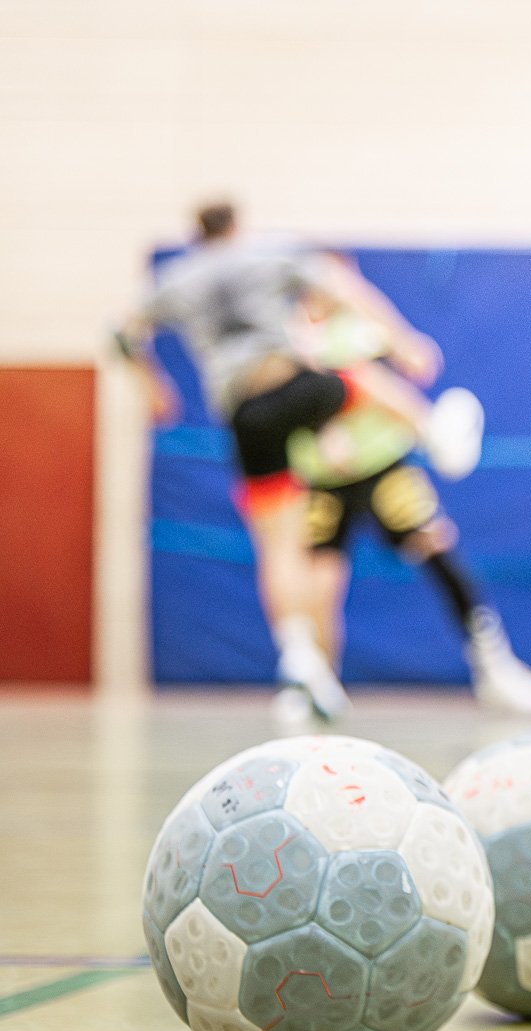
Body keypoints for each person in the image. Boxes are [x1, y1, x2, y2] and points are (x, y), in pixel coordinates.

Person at [114, 200, 482, 723]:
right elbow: (346, 289)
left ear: (198, 234)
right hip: (289, 383)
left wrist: (154, 387)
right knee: (358, 380)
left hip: (244, 413)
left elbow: (121, 333)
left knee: (278, 542)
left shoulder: (176, 279)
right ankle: (433, 433)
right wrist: (403, 342)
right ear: (237, 226)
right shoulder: (269, 253)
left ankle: (299, 655)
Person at [290, 287, 531, 718]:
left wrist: (405, 346)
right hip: (324, 479)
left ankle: (494, 667)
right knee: (320, 576)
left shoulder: (359, 330)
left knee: (437, 549)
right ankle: (316, 682)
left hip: (384, 465)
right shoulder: (292, 340)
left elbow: (412, 363)